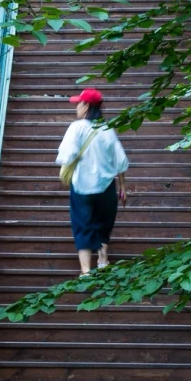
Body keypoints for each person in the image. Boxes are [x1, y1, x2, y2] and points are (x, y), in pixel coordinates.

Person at [55, 86, 129, 275]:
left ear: (87, 106)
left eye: (79, 103)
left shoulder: (76, 128)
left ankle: (86, 271)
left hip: (82, 187)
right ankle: (103, 259)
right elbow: (120, 160)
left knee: (83, 225)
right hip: (105, 187)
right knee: (104, 222)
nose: (76, 107)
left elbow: (66, 156)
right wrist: (123, 187)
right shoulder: (107, 129)